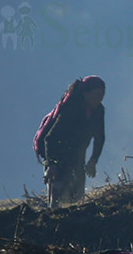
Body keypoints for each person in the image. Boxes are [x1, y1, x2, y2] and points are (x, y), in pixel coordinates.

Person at [35, 75, 106, 207]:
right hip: (55, 151)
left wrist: (93, 160)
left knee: (77, 194)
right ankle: (53, 214)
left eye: (102, 95)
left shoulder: (98, 111)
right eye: (96, 94)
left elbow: (99, 137)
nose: (99, 98)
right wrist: (52, 164)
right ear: (86, 94)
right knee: (58, 188)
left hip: (76, 153)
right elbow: (50, 138)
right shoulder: (71, 109)